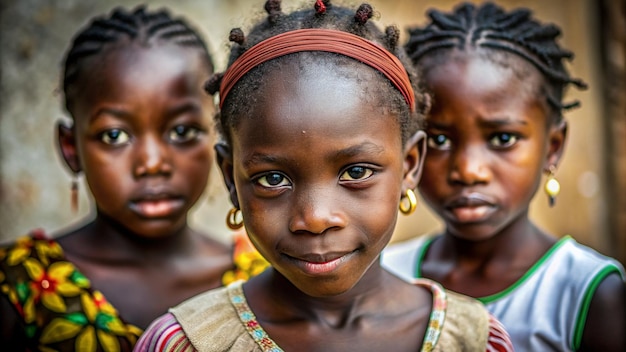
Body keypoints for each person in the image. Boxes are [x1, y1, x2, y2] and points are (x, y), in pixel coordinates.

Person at [135, 1, 515, 351]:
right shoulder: (184, 342)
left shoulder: (476, 339)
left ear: (410, 164)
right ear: (230, 178)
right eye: (272, 179)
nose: (315, 219)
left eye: (356, 171)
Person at [0, 6, 268, 351]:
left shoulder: (261, 277)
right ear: (71, 148)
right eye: (115, 136)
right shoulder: (20, 284)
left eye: (182, 131)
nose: (152, 163)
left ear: (217, 140)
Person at [381, 2, 626, 351]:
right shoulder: (386, 274)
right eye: (439, 140)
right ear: (412, 152)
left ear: (553, 147)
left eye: (502, 138)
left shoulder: (588, 291)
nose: (468, 170)